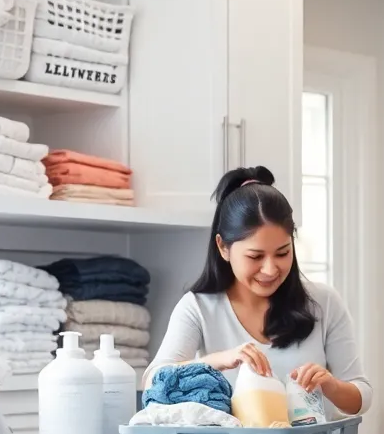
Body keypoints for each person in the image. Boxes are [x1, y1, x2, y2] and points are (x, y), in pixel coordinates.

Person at [145, 166, 372, 417]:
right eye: (255, 256)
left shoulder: (324, 302)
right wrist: (218, 361)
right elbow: (153, 382)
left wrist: (331, 385)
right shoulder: (198, 308)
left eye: (283, 253)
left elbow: (361, 396)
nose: (270, 269)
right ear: (223, 247)